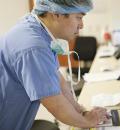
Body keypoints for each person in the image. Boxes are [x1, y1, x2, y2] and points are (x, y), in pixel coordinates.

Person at [0, 0, 109, 129]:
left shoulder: (37, 29)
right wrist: (87, 122)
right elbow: (55, 103)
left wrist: (81, 112)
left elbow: (58, 81)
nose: (82, 25)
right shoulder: (34, 47)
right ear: (56, 14)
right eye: (78, 17)